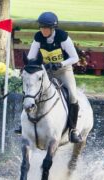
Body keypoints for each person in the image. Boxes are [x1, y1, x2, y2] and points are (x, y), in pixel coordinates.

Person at [18, 11, 82, 143]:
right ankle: (24, 125)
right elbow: (31, 57)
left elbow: (75, 58)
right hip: (45, 71)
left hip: (64, 71)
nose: (43, 30)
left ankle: (73, 130)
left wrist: (60, 63)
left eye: (45, 28)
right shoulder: (38, 37)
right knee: (30, 92)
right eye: (41, 28)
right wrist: (29, 67)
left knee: (73, 96)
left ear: (53, 28)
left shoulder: (63, 37)